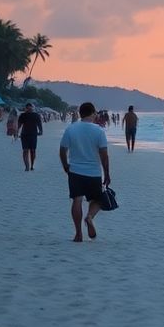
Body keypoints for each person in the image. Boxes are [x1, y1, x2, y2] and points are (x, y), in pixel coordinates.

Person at [59, 102, 111, 243]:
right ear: (93, 113)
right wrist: (107, 173)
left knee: (77, 199)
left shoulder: (71, 129)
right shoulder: (99, 131)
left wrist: (65, 166)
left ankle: (78, 234)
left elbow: (63, 149)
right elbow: (104, 154)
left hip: (75, 170)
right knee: (98, 199)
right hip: (93, 171)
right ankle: (89, 217)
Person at [18, 103, 44, 171]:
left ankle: (32, 165)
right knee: (25, 150)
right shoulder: (23, 115)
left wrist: (41, 131)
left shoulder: (36, 115)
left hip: (33, 135)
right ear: (26, 108)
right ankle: (27, 166)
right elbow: (19, 124)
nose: (29, 109)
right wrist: (16, 131)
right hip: (24, 135)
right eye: (28, 108)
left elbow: (39, 124)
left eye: (30, 108)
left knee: (33, 151)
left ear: (32, 108)